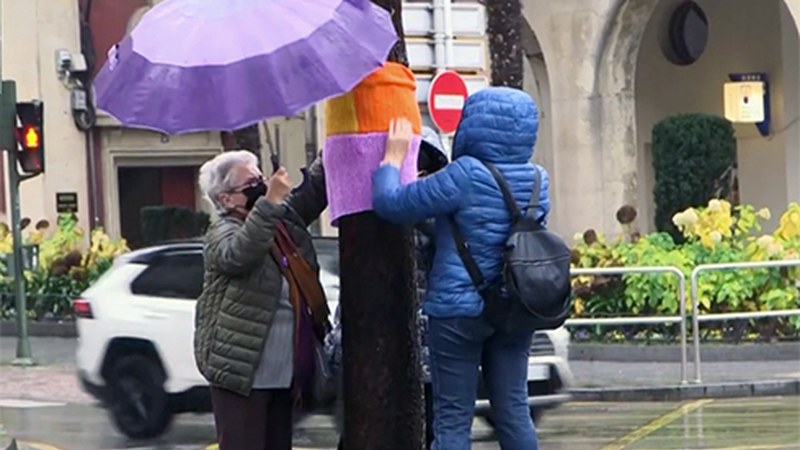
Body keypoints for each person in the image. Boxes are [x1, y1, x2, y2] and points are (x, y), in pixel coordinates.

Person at [371, 87, 551, 450]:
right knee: (514, 412)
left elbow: (390, 204)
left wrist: (392, 160)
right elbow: (488, 227)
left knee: (453, 419)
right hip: (516, 306)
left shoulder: (464, 174)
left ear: (474, 125)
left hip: (458, 312)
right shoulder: (538, 179)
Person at [194, 150, 328, 450]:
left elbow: (311, 195)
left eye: (261, 179)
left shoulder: (277, 221)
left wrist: (331, 153)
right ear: (227, 199)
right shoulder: (223, 232)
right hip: (242, 375)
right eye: (250, 185)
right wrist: (269, 202)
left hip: (283, 375)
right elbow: (239, 255)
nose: (261, 187)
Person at [327, 126, 449, 450]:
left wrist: (397, 175)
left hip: (419, 356)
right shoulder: (362, 211)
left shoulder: (437, 212)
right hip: (369, 350)